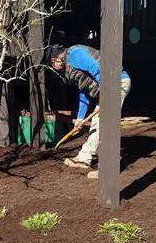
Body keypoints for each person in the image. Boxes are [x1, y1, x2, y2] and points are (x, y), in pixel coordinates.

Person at [46, 44, 131, 179]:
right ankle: (84, 158)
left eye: (51, 64)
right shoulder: (69, 68)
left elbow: (97, 69)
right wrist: (80, 118)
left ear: (56, 59)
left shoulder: (74, 54)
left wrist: (107, 93)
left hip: (117, 82)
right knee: (96, 123)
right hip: (107, 87)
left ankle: (107, 170)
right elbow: (84, 92)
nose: (53, 68)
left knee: (105, 124)